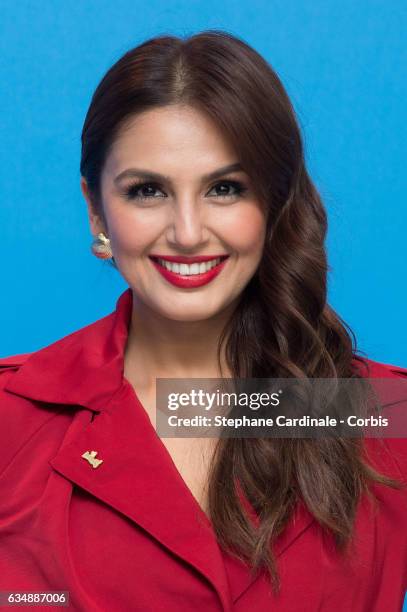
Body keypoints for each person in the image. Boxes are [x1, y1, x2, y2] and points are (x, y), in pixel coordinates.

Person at [0, 30, 406, 612]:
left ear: (275, 202)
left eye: (224, 188)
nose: (187, 233)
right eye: (147, 191)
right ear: (97, 210)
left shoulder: (384, 414)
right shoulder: (12, 418)